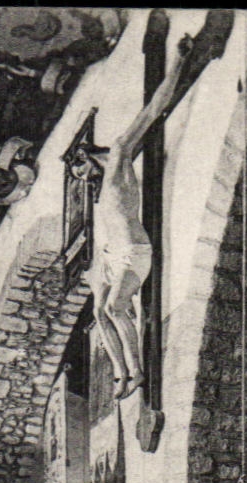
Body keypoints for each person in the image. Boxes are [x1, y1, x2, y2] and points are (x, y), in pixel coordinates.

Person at [86, 35, 193, 399]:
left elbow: (151, 113)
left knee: (116, 307)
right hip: (112, 257)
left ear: (95, 157)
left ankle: (137, 372)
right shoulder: (100, 192)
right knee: (100, 312)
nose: (83, 172)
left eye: (84, 163)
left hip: (134, 251)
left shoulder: (118, 158)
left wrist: (178, 63)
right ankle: (121, 374)